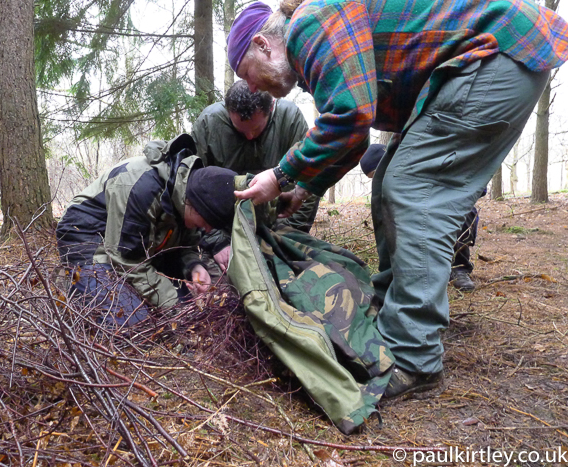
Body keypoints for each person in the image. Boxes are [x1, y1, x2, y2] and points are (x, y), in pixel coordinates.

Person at [226, 0, 568, 399]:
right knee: (388, 178)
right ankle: (395, 313)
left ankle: (414, 356)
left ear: (263, 45)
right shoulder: (314, 44)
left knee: (412, 188)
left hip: (498, 55)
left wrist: (281, 174)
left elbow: (350, 115)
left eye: (245, 73)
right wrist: (304, 187)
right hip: (484, 60)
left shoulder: (309, 23)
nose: (249, 88)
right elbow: (353, 138)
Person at [56, 134, 237, 326]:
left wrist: (195, 267)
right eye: (207, 222)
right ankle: (80, 279)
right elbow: (126, 260)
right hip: (88, 236)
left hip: (135, 246)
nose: (207, 229)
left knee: (190, 306)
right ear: (193, 205)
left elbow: (185, 247)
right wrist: (175, 308)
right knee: (132, 323)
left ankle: (107, 288)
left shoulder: (187, 191)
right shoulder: (141, 189)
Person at [192, 80, 317, 270]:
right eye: (240, 129)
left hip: (279, 225)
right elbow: (192, 189)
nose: (249, 136)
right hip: (224, 229)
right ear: (227, 112)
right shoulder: (208, 123)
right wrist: (215, 241)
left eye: (257, 129)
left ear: (271, 107)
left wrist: (292, 234)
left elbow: (308, 179)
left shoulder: (289, 119)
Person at [360, 144, 481, 291]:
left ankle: (459, 268)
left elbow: (472, 186)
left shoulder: (424, 160)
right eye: (374, 177)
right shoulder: (385, 191)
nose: (380, 178)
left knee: (463, 209)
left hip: (445, 206)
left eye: (378, 173)